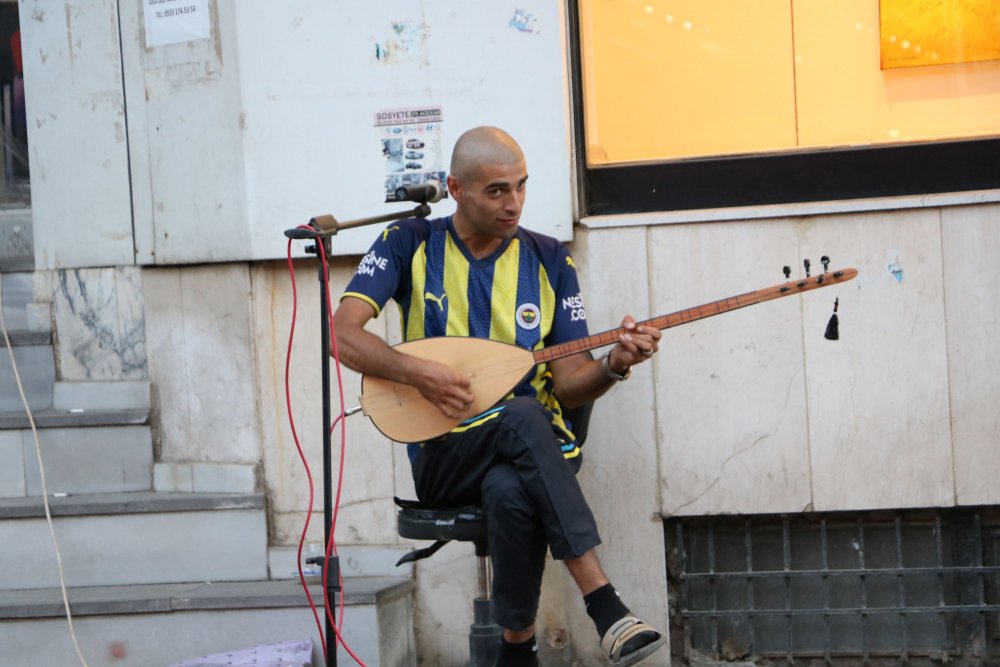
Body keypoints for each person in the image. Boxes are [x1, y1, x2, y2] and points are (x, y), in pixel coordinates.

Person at [333, 126, 665, 666]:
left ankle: (517, 651)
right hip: (443, 455)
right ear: (456, 189)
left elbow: (568, 381)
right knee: (524, 415)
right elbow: (342, 334)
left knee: (511, 487)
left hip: (532, 451)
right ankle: (605, 604)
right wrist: (419, 374)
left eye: (521, 187)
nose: (513, 203)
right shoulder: (409, 243)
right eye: (496, 191)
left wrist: (614, 365)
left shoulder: (550, 259)